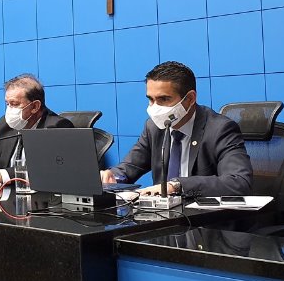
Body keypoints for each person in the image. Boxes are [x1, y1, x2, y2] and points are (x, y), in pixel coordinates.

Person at [100, 61, 253, 197]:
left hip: (205, 216)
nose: (155, 108)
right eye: (151, 99)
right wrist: (113, 175)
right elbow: (130, 167)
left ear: (190, 98)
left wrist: (177, 186)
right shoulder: (153, 127)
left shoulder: (220, 129)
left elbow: (238, 182)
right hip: (163, 215)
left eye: (164, 99)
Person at [0, 74, 73, 186]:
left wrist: (1, 176)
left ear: (35, 106)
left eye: (14, 104)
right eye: (7, 104)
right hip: (7, 195)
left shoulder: (57, 127)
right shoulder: (5, 124)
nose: (9, 110)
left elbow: (44, 168)